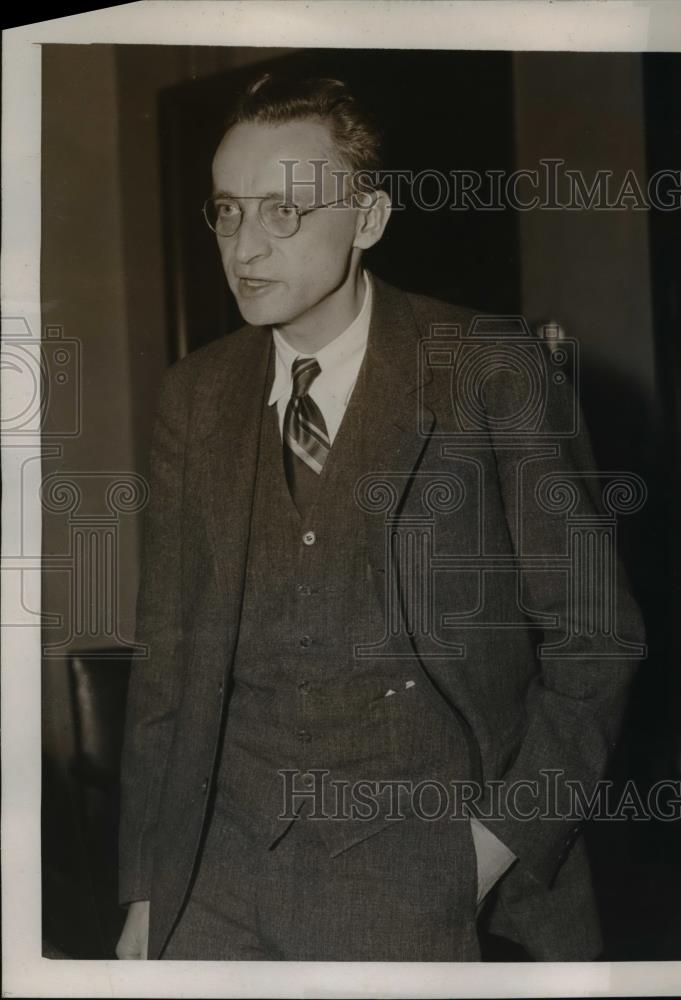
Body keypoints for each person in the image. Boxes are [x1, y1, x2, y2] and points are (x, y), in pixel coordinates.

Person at [115, 73, 645, 962]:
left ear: (367, 220)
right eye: (228, 210)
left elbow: (596, 641)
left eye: (285, 211)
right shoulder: (193, 397)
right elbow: (165, 667)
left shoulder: (489, 368)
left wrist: (488, 851)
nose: (246, 245)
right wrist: (145, 890)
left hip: (425, 877)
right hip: (215, 885)